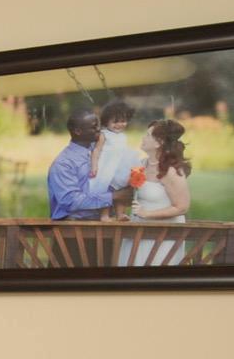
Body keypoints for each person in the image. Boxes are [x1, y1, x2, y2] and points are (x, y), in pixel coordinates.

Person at [120, 119, 192, 266]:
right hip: (138, 227)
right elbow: (133, 194)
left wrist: (147, 214)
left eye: (148, 135)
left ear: (159, 142)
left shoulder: (172, 171)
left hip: (163, 235)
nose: (143, 138)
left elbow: (182, 207)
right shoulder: (141, 165)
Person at [45, 109, 119, 221]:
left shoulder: (102, 151)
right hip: (73, 231)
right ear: (78, 131)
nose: (98, 129)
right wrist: (113, 197)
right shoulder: (64, 163)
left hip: (106, 227)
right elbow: (71, 201)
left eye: (98, 125)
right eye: (93, 127)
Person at [92, 100, 145, 217]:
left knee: (121, 190)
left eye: (123, 121)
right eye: (115, 122)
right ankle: (104, 215)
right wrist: (94, 165)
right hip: (106, 168)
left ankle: (120, 214)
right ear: (106, 121)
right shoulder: (104, 134)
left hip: (120, 168)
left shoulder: (122, 136)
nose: (119, 125)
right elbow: (96, 150)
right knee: (106, 190)